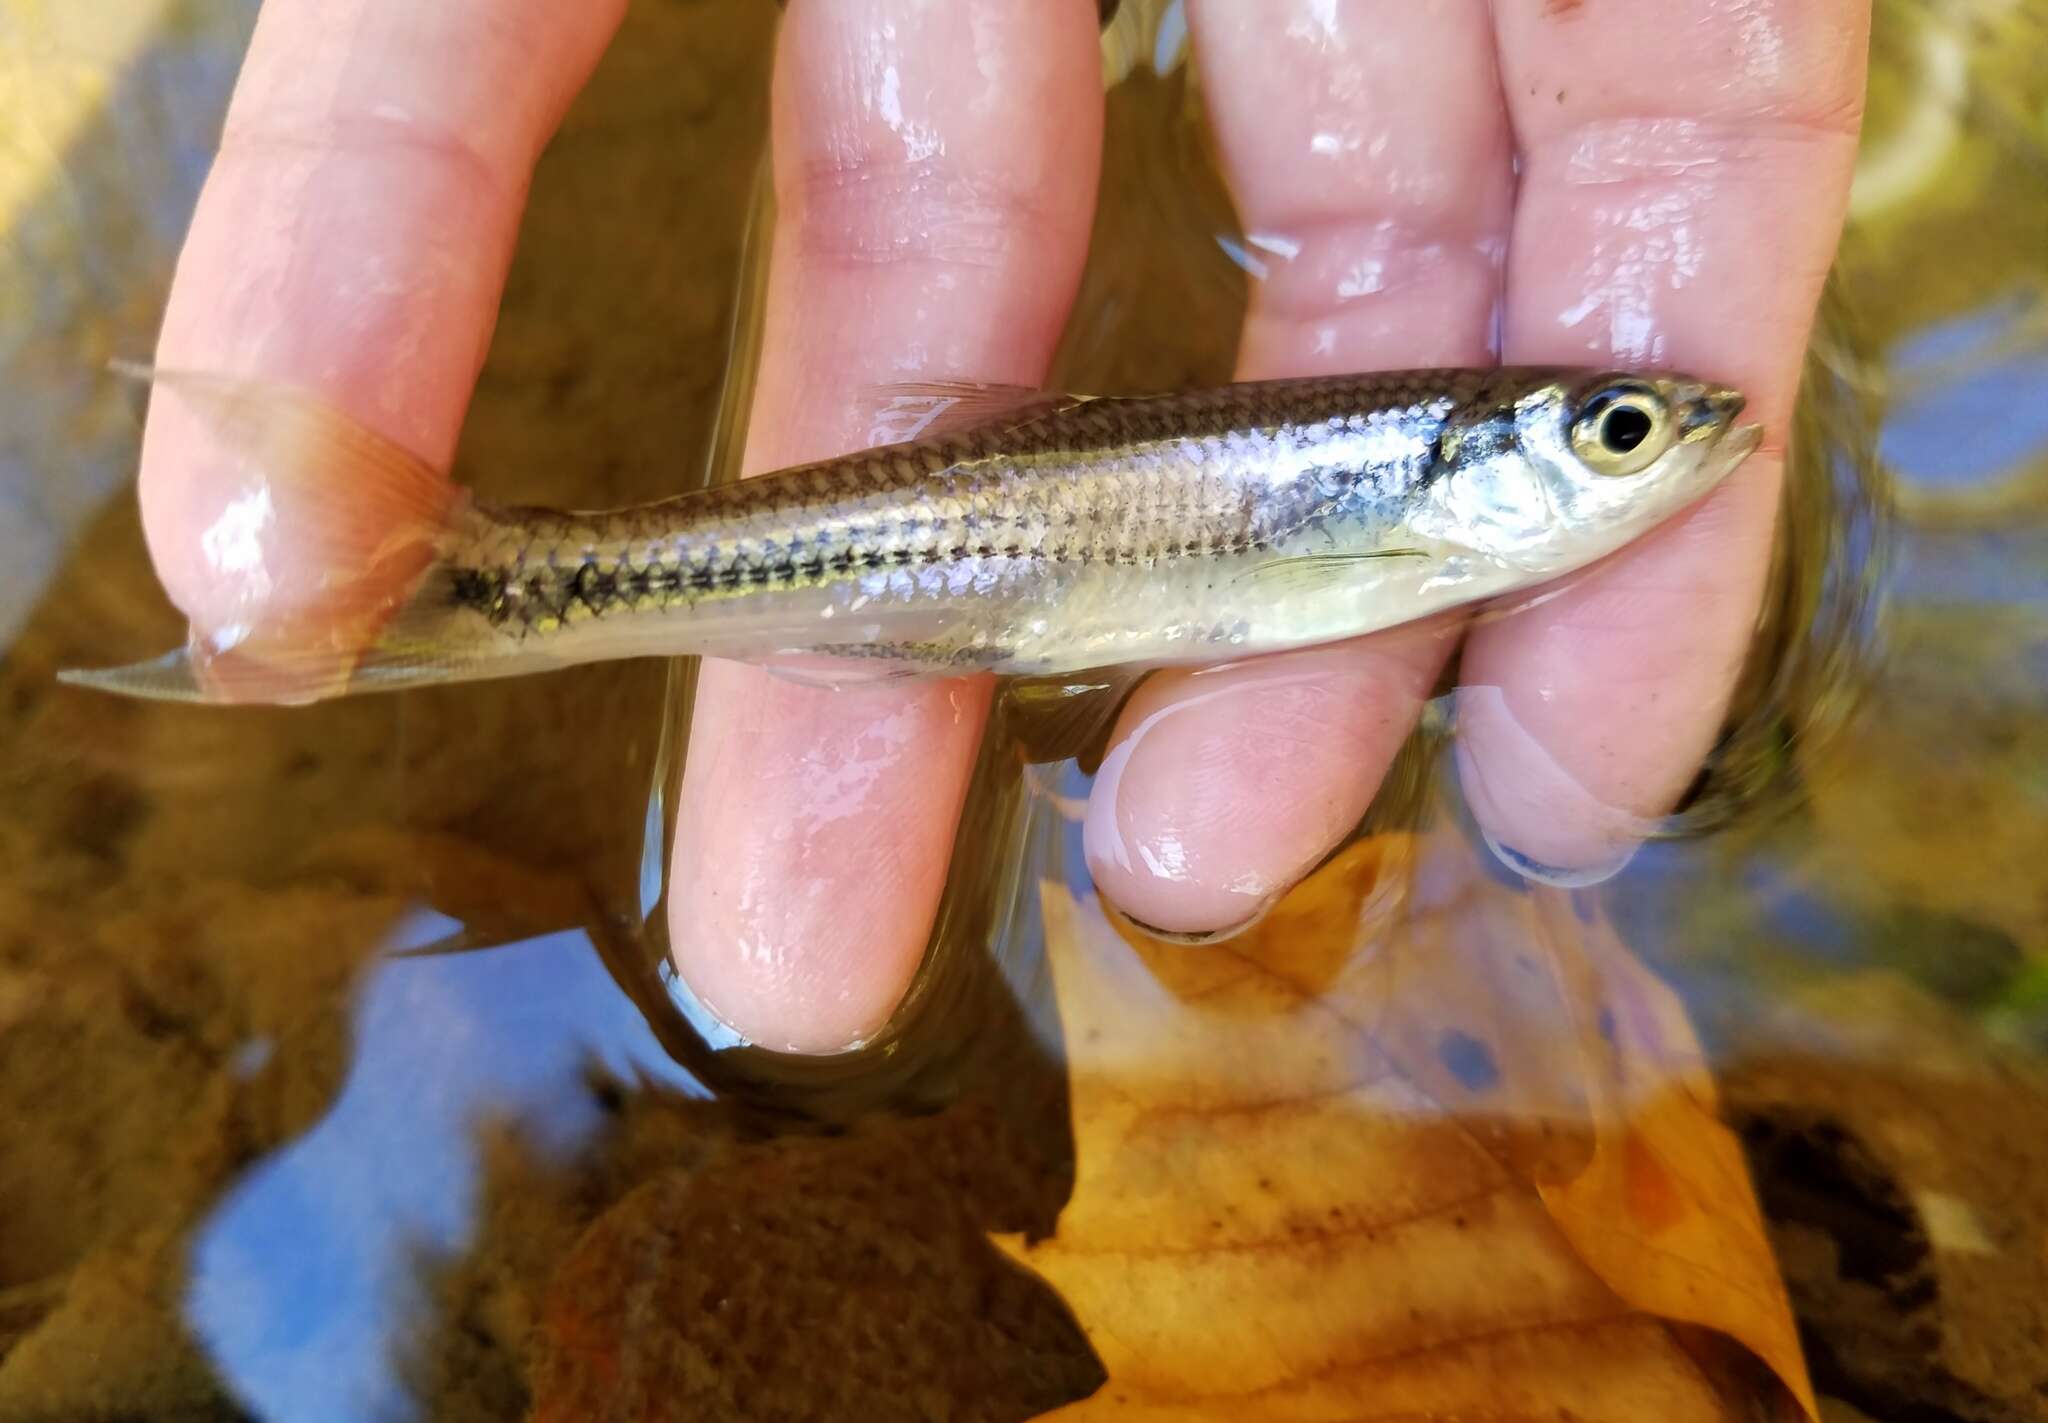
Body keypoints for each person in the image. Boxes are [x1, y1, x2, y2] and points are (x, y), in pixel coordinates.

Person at [136, 0, 1869, 1054]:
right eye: (1620, 431)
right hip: (979, 558)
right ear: (1471, 470)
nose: (1681, 434)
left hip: (995, 567)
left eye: (1622, 426)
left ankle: (469, 594)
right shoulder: (1431, 499)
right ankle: (470, 589)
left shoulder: (1463, 502)